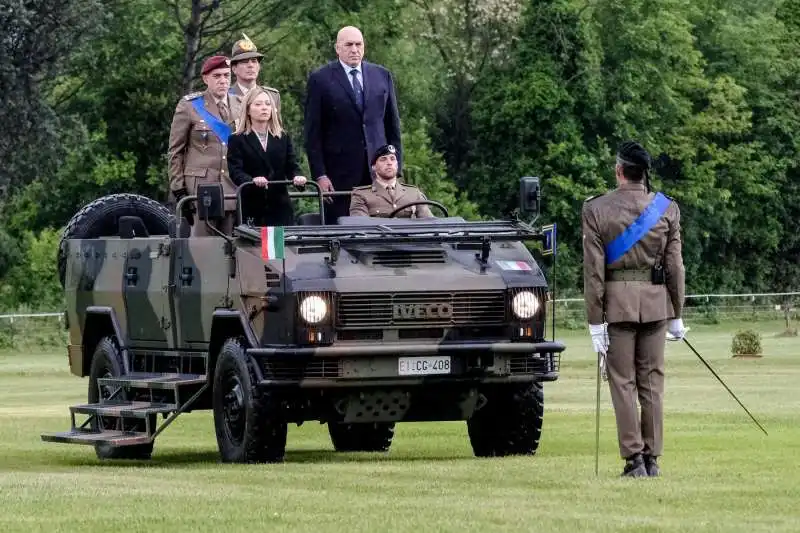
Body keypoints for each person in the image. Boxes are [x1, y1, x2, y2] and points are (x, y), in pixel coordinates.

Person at [582, 140, 687, 478]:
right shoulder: (667, 208)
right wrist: (677, 314)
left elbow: (594, 271)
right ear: (644, 174)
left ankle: (634, 461)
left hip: (618, 307)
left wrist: (595, 322)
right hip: (657, 305)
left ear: (619, 170)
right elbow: (675, 267)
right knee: (652, 383)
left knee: (623, 383)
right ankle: (653, 459)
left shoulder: (596, 209)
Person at [303, 25, 402, 223]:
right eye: (349, 45)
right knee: (342, 233)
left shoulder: (382, 75)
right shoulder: (320, 79)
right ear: (337, 48)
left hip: (378, 172)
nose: (354, 49)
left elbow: (392, 126)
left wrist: (396, 168)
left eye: (359, 44)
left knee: (383, 231)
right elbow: (313, 134)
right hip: (339, 176)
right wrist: (320, 175)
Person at [167, 55, 241, 236]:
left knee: (232, 247)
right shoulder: (190, 105)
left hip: (232, 187)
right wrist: (179, 189)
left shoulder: (241, 103)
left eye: (226, 75)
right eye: (217, 76)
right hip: (200, 188)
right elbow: (175, 151)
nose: (223, 81)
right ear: (205, 78)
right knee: (203, 248)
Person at [226, 87, 306, 227]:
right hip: (252, 206)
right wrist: (251, 180)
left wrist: (297, 177)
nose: (264, 108)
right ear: (248, 109)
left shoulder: (282, 137)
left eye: (268, 104)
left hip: (280, 207)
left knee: (280, 248)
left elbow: (291, 165)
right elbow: (235, 171)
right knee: (254, 248)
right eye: (258, 104)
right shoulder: (237, 139)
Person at [349, 144, 433, 218]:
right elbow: (362, 227)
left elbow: (430, 224)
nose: (389, 163)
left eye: (392, 159)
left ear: (397, 165)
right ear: (373, 167)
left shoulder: (413, 193)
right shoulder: (361, 195)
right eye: (383, 159)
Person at [229, 33, 282, 111]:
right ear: (234, 69)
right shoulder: (225, 96)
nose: (250, 65)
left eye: (254, 61)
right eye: (244, 62)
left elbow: (276, 123)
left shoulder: (272, 95)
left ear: (259, 66)